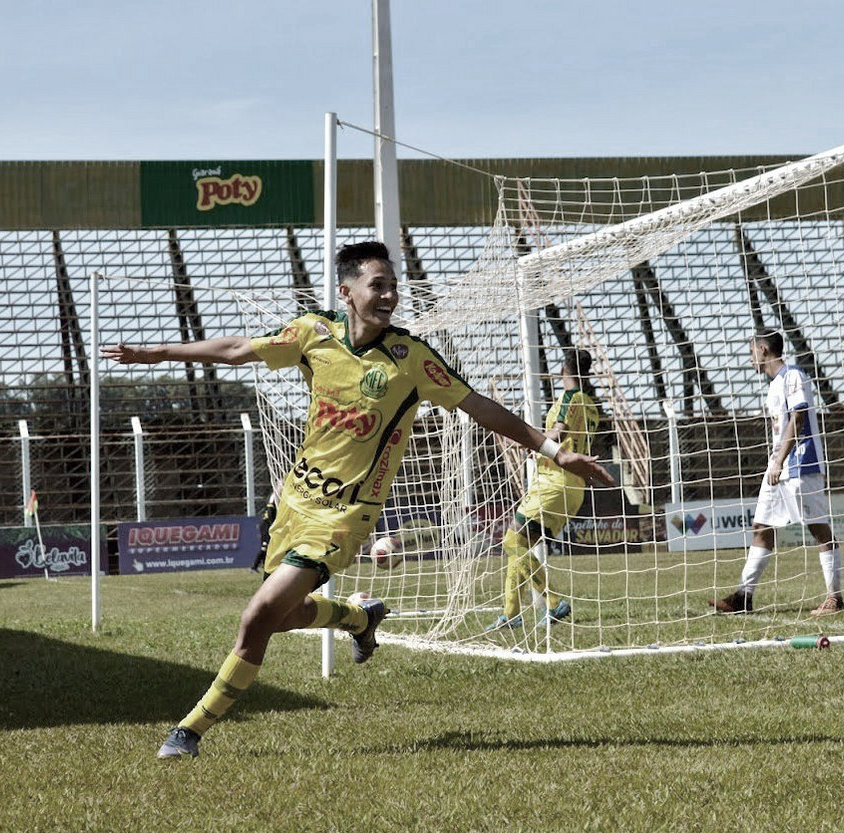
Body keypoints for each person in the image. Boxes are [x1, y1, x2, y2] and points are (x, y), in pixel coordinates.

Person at [101, 241, 614, 759]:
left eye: (393, 285)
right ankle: (357, 618)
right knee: (283, 615)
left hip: (346, 514)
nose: (390, 294)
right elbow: (237, 349)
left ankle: (187, 732)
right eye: (378, 284)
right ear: (347, 292)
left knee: (256, 617)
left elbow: (478, 405)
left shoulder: (410, 358)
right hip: (295, 501)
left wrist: (552, 450)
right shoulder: (312, 333)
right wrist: (155, 353)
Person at [709, 328, 844, 616]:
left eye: (751, 353)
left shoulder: (794, 376)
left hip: (800, 464)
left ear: (763, 350)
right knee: (761, 527)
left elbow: (799, 418)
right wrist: (775, 462)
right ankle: (744, 597)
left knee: (817, 527)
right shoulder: (773, 385)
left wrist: (780, 460)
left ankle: (834, 597)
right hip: (778, 467)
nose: (750, 360)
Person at [486, 348, 601, 630]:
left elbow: (557, 433)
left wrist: (526, 440)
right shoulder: (593, 405)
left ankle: (553, 602)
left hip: (554, 483)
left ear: (564, 371)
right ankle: (511, 614)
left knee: (513, 542)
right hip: (570, 487)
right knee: (519, 545)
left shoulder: (572, 397)